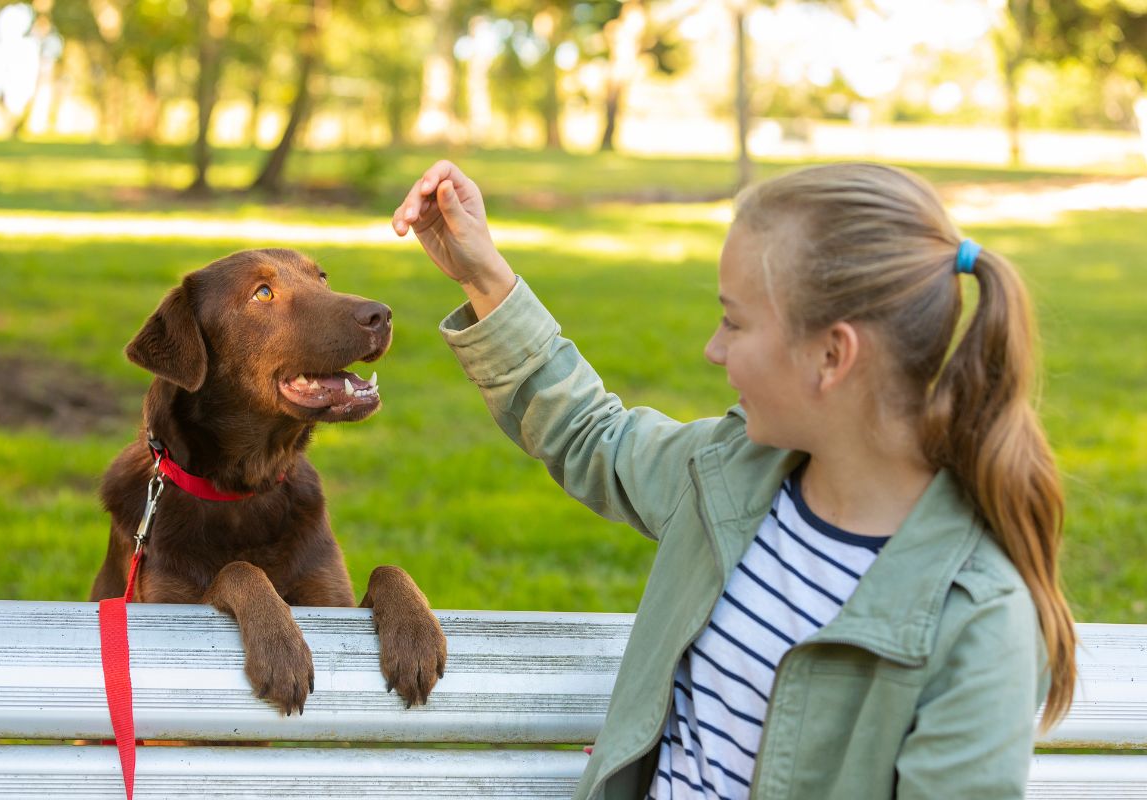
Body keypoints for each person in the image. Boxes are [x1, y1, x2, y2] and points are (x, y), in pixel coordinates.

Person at [392, 160, 1076, 800]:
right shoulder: (735, 476)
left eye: (734, 320)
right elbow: (592, 435)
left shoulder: (978, 624)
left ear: (832, 355)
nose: (713, 349)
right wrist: (483, 275)